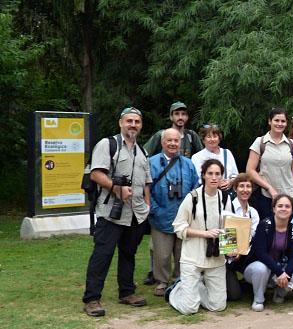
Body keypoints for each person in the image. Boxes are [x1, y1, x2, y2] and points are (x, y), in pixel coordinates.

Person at [82, 106, 152, 317]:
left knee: (128, 254)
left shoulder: (142, 151)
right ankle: (92, 299)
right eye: (129, 121)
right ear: (121, 123)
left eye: (137, 122)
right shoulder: (108, 144)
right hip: (110, 212)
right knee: (102, 254)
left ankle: (127, 292)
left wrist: (147, 204)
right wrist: (117, 189)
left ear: (141, 125)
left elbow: (146, 182)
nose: (133, 125)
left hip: (136, 214)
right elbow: (96, 174)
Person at [165, 159, 230, 315]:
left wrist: (230, 249)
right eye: (210, 173)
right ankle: (176, 290)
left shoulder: (225, 198)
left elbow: (229, 227)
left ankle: (194, 289)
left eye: (217, 174)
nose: (214, 177)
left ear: (221, 176)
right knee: (189, 309)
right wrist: (204, 233)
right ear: (203, 175)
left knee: (218, 306)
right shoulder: (192, 197)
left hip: (216, 258)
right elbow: (178, 227)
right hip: (192, 257)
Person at [147, 128, 199, 297]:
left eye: (176, 141)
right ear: (162, 142)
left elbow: (196, 187)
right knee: (162, 253)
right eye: (169, 140)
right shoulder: (151, 163)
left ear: (180, 143)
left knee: (181, 252)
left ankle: (179, 279)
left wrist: (191, 210)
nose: (172, 143)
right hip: (161, 215)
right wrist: (155, 210)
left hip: (184, 217)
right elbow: (146, 189)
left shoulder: (188, 163)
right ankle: (162, 281)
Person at [241, 194, 293, 310]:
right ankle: (258, 300)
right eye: (280, 206)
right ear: (274, 209)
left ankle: (279, 295)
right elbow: (261, 253)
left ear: (292, 210)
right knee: (261, 268)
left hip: (278, 268)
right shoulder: (264, 225)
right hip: (256, 268)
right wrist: (279, 272)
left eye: (287, 206)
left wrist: (286, 273)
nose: (283, 209)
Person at [246, 107, 293, 217]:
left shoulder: (291, 144)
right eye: (276, 120)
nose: (280, 124)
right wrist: (269, 188)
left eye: (283, 121)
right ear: (270, 121)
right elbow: (250, 171)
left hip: (289, 198)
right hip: (267, 198)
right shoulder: (260, 142)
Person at [222, 174, 260, 301]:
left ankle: (246, 281)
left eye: (248, 186)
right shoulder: (228, 207)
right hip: (226, 258)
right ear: (235, 189)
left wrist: (241, 250)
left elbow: (252, 236)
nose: (245, 190)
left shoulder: (253, 212)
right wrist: (232, 251)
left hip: (244, 255)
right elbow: (225, 233)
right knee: (235, 295)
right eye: (241, 186)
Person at [191, 124, 238, 194]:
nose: (212, 139)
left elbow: (235, 175)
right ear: (203, 140)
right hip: (206, 194)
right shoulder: (196, 157)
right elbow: (197, 180)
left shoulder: (227, 153)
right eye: (209, 137)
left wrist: (230, 182)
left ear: (219, 139)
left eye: (215, 136)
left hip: (226, 194)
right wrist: (216, 183)